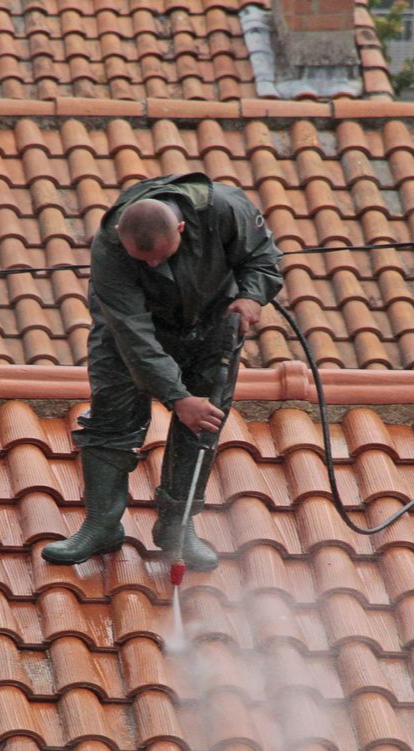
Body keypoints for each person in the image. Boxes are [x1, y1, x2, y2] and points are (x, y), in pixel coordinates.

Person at [41, 172, 283, 571]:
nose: (153, 264)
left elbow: (263, 258)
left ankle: (177, 526)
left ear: (183, 228)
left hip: (211, 326)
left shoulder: (225, 209)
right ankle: (101, 525)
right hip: (129, 334)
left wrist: (252, 297)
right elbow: (134, 336)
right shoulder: (109, 247)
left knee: (202, 420)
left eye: (161, 256)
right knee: (111, 417)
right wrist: (175, 396)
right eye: (144, 260)